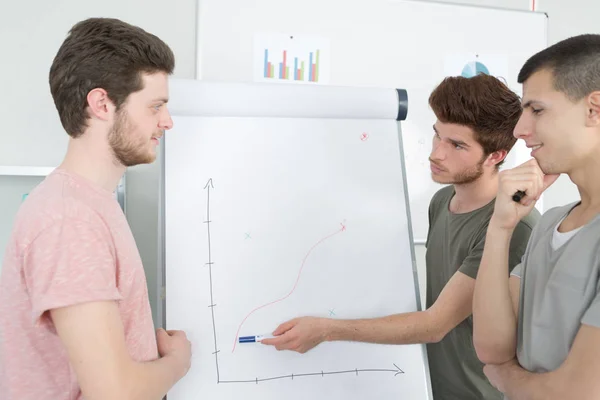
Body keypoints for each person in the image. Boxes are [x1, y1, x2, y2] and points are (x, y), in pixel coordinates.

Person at [261, 74, 540, 399]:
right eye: (438, 136)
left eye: (457, 145)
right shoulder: (441, 201)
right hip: (428, 387)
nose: (437, 153)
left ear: (496, 156)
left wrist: (326, 330)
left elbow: (436, 324)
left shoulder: (515, 224)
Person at [0, 18, 191, 400]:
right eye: (155, 106)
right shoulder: (69, 220)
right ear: (102, 103)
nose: (166, 122)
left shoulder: (90, 205)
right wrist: (178, 363)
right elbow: (113, 393)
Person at [473, 34, 600, 399]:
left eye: (537, 110)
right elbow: (492, 349)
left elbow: (577, 393)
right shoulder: (550, 221)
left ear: (594, 109)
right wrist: (500, 227)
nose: (519, 130)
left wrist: (507, 379)